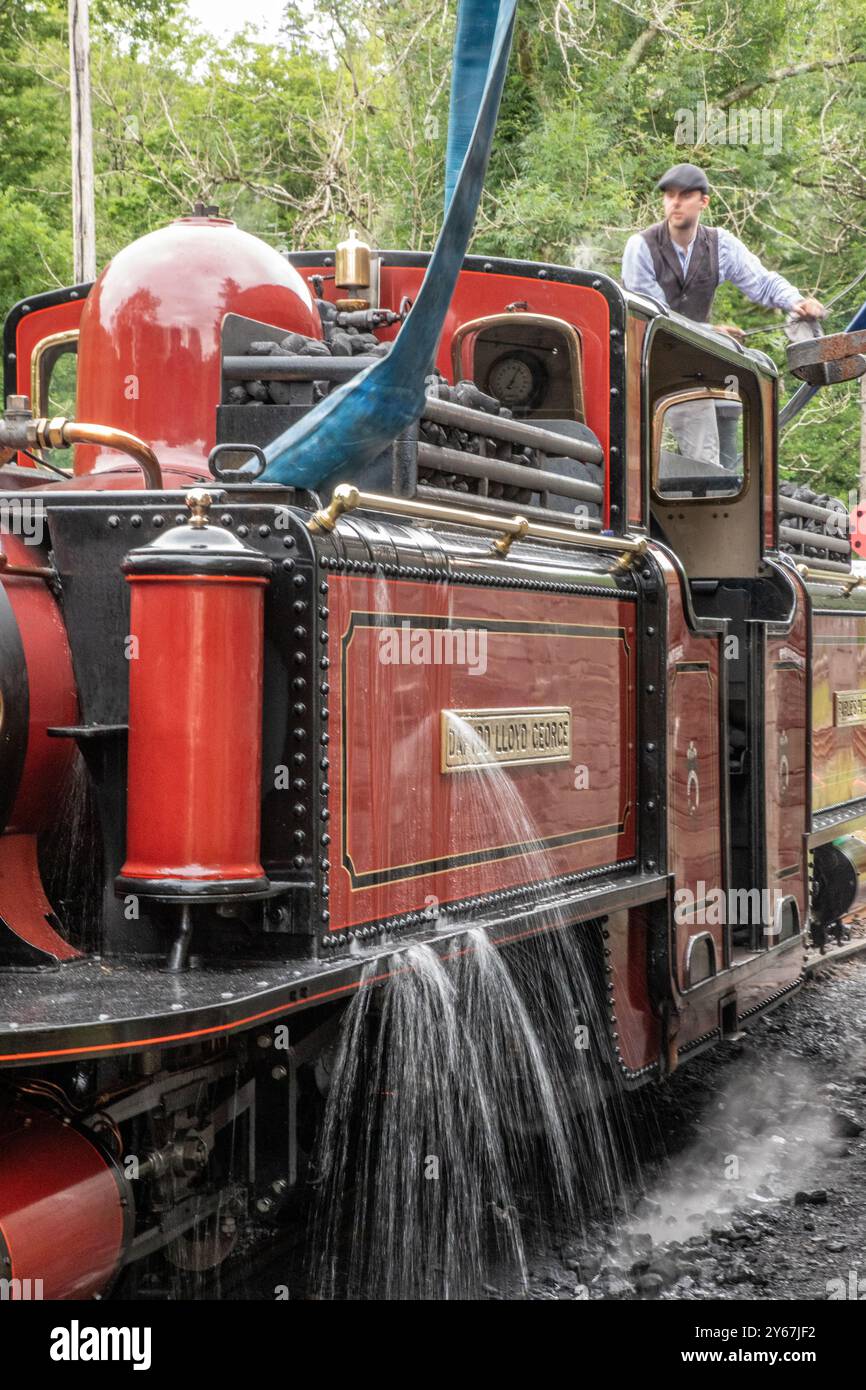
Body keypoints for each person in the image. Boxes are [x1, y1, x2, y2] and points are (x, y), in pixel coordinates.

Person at [622, 163, 825, 471]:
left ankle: (718, 490)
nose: (674, 203)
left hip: (690, 366)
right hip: (642, 362)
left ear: (703, 201)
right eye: (669, 195)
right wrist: (713, 333)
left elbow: (763, 282)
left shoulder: (721, 245)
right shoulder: (641, 247)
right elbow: (655, 318)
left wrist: (797, 303)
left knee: (716, 435)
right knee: (647, 457)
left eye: (684, 195)